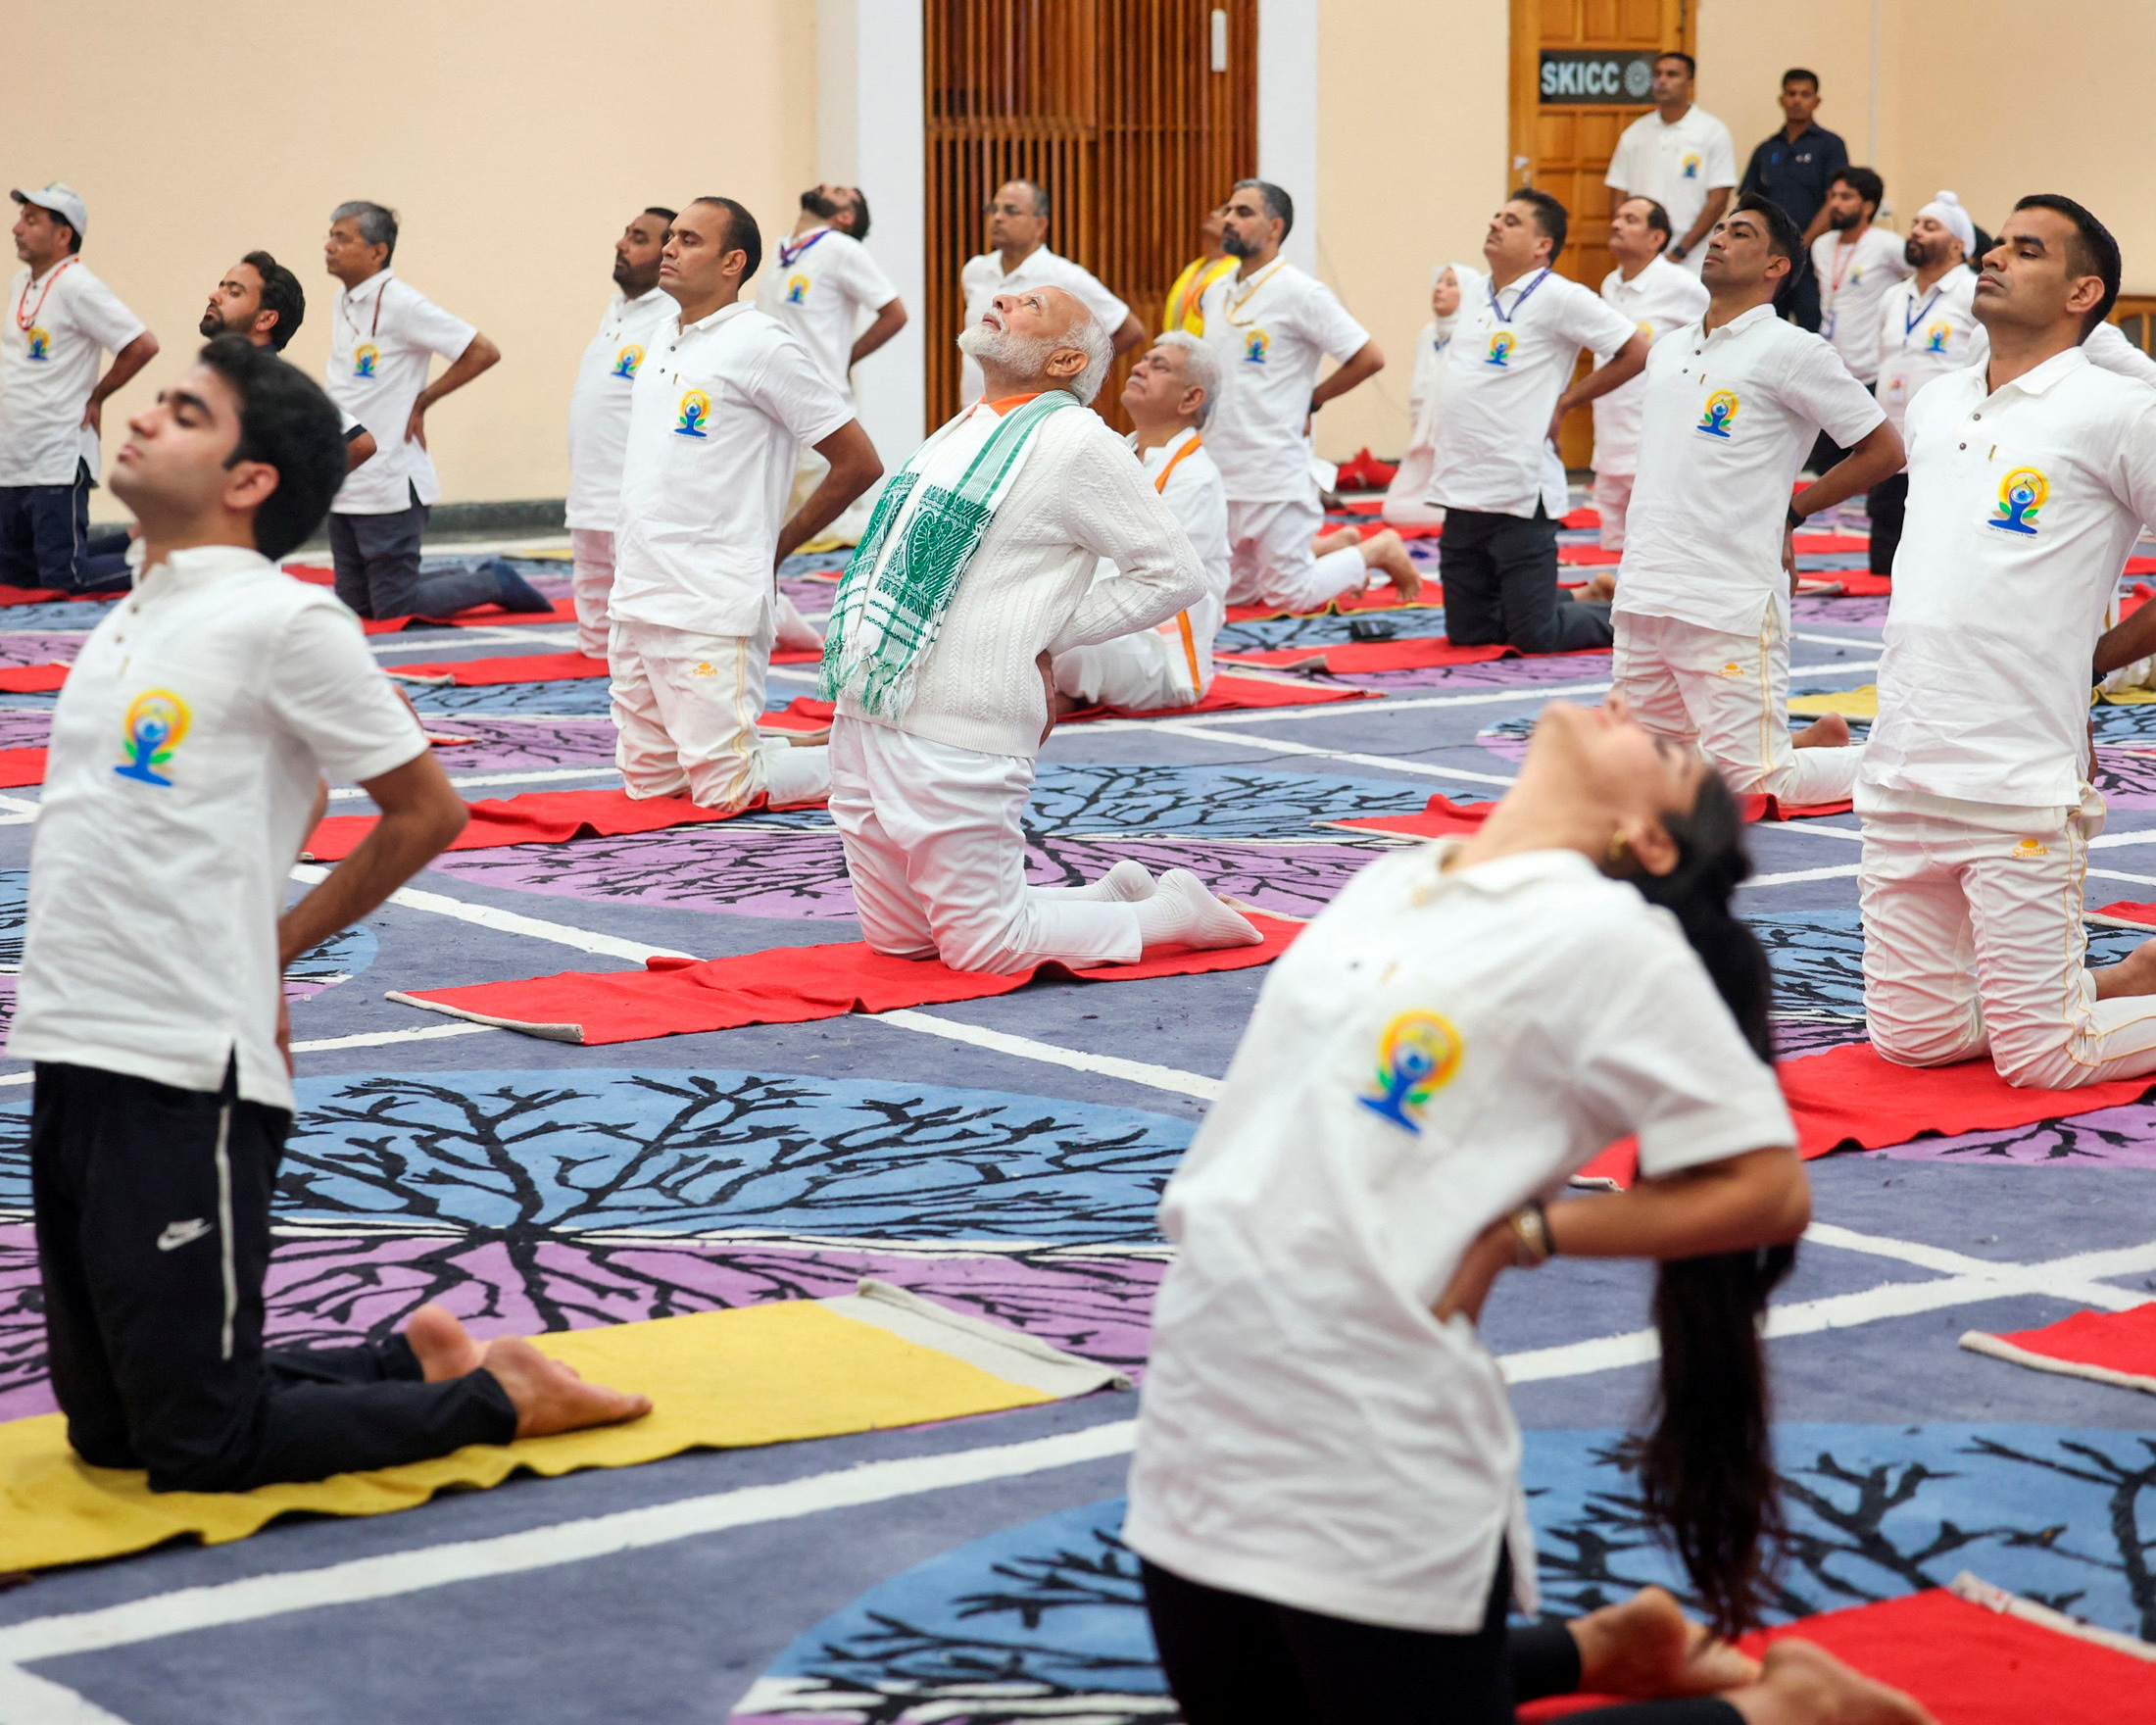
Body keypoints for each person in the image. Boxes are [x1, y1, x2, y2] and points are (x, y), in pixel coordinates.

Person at [1126, 691, 1935, 1725]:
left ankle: (1793, 1710)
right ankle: (1600, 1645)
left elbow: (1766, 1188)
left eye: (1661, 747)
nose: (1623, 709)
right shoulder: (1394, 878)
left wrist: (1528, 1232)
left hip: (1361, 1425)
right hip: (1200, 1389)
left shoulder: (1608, 940)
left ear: (1644, 837)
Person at [12, 335, 652, 1492]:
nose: (144, 419)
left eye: (183, 413)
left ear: (248, 480)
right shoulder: (134, 614)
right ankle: (403, 1355)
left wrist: (270, 950)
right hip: (70, 1037)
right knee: (107, 1430)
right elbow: (273, 789)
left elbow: (425, 806)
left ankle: (500, 1394)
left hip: (181, 1057)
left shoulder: (281, 620)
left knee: (204, 1451)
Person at [822, 286, 1259, 971]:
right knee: (901, 942)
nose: (1003, 298)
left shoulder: (1076, 439)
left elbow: (1173, 573)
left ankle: (1172, 914)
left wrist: (1041, 632)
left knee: (987, 949)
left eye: (1030, 305)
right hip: (869, 715)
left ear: (1064, 359)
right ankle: (1107, 897)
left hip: (960, 726)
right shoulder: (964, 427)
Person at [1862, 194, 2156, 1091]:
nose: (1994, 257)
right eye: (1998, 243)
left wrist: (2097, 663)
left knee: (2045, 1060)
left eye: (2027, 251)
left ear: (2083, 291)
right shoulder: (1943, 396)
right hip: (1905, 762)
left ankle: (2066, 1007)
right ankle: (2110, 984)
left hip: (2017, 771)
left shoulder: (2116, 410)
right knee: (1915, 1042)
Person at [1612, 196, 1902, 812]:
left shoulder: (1791, 349)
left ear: (1776, 266)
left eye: (1739, 232)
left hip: (1727, 598)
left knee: (1758, 787)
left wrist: (1793, 514)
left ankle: (1901, 762)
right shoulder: (1667, 348)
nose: (1717, 238)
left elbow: (1883, 449)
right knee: (1643, 783)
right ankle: (1802, 740)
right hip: (1645, 590)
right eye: (1716, 227)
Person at [611, 196, 880, 812]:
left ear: (734, 262)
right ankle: (789, 745)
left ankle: (869, 768)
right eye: (670, 236)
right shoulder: (662, 333)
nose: (670, 248)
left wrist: (775, 547)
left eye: (689, 240)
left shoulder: (761, 343)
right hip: (638, 590)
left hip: (712, 597)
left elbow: (859, 462)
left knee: (726, 789)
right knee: (650, 787)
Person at [76, 253, 380, 592]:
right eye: (221, 286)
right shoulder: (221, 376)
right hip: (171, 543)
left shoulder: (265, 383)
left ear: (265, 319)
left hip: (218, 566)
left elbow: (360, 442)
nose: (214, 295)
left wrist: (280, 502)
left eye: (234, 292)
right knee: (55, 566)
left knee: (62, 576)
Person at [1426, 191, 1647, 654]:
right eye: (1496, 215)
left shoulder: (1560, 296)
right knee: (1471, 634)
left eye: (1511, 221)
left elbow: (1636, 351)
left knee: (1535, 636)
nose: (1496, 224)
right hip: (1462, 486)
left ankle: (1631, 618)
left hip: (1518, 492)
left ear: (1541, 245)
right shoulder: (1474, 295)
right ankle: (1577, 595)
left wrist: (1565, 403)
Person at [1197, 179, 1417, 613]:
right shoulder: (1215, 291)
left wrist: (1313, 399)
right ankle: (1335, 544)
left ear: (1274, 227)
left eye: (1243, 213)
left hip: (1274, 465)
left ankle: (1378, 550)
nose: (1228, 220)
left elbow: (1368, 357)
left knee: (1289, 596)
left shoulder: (1301, 291)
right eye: (1228, 211)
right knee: (1232, 595)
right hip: (1222, 462)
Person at [320, 200, 513, 620]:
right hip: (348, 474)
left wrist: (424, 399)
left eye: (342, 238)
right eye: (330, 236)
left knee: (394, 609)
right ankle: (460, 575)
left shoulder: (402, 303)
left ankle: (492, 581)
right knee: (355, 609)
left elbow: (482, 351)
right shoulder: (344, 300)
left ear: (377, 252)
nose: (328, 246)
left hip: (391, 481)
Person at [1053, 332, 1230, 714]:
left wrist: (1060, 612)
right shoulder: (1118, 453)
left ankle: (1045, 691)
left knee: (1042, 633)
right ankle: (1050, 689)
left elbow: (1165, 586)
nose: (1138, 367)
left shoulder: (1195, 477)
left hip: (1157, 654)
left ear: (1191, 398)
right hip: (1104, 626)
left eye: (1158, 365)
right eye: (1143, 359)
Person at [0, 183, 158, 593]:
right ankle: (132, 540)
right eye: (21, 218)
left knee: (64, 578)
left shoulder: (77, 285)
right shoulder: (23, 283)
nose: (16, 228)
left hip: (55, 456)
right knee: (18, 579)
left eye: (31, 220)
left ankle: (167, 570)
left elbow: (141, 345)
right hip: (14, 458)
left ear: (62, 235)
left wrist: (99, 395)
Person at [762, 183, 908, 567]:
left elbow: (895, 313)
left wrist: (846, 358)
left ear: (845, 216)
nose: (829, 185)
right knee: (780, 517)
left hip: (818, 398)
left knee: (825, 524)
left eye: (842, 192)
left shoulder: (842, 248)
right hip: (770, 400)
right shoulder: (782, 249)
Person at [564, 208, 679, 659]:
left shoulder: (670, 320)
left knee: (643, 596)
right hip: (589, 485)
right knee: (590, 584)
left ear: (666, 255)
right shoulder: (615, 311)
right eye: (625, 234)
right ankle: (593, 655)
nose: (621, 244)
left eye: (638, 238)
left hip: (631, 492)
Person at [1868, 192, 1981, 575]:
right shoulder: (1892, 296)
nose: (1915, 232)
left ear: (1958, 244)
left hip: (1945, 441)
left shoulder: (1974, 294)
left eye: (1929, 226)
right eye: (1915, 223)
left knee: (1933, 558)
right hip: (1892, 440)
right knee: (1883, 563)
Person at [1591, 198, 1710, 553]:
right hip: (1610, 429)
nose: (1616, 224)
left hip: (1653, 434)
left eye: (1630, 219)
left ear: (1656, 237)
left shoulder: (1681, 285)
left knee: (1652, 546)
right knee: (1612, 545)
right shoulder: (1610, 284)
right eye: (1617, 216)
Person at [957, 179, 1143, 405]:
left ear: (1040, 224)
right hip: (976, 408)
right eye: (993, 209)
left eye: (1011, 211)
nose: (997, 218)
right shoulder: (974, 271)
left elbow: (1130, 330)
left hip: (1031, 409)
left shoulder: (1065, 276)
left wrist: (1070, 371)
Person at [1603, 55, 1738, 278]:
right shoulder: (1635, 133)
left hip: (1691, 256)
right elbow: (1618, 193)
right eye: (1657, 74)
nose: (1662, 81)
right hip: (1641, 253)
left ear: (1690, 83)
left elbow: (1718, 200)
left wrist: (1681, 249)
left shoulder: (1712, 131)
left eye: (1672, 74)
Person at [1738, 69, 1849, 332]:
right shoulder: (1766, 149)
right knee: (1765, 327)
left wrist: (1802, 244)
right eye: (1791, 93)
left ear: (1816, 101)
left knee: (1814, 326)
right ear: (1781, 99)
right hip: (1771, 259)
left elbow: (1835, 200)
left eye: (1805, 94)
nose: (1797, 100)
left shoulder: (1830, 146)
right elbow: (1749, 203)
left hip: (1814, 259)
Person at [1382, 262, 1485, 529]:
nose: (1439, 288)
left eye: (1450, 284)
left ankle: (1463, 512)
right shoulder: (1428, 334)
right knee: (1393, 510)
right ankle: (1458, 513)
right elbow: (1419, 392)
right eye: (1439, 282)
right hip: (1423, 443)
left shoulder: (1473, 335)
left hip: (1458, 446)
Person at [1810, 170, 1910, 400]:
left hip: (1871, 372)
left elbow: (1926, 273)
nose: (1835, 203)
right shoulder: (1821, 245)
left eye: (1846, 197)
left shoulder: (1888, 245)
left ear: (1867, 207)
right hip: (1828, 367)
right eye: (1833, 196)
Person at [1162, 203, 1237, 335]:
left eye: (1224, 213)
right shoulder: (1194, 267)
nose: (1213, 214)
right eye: (1216, 210)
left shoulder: (1236, 269)